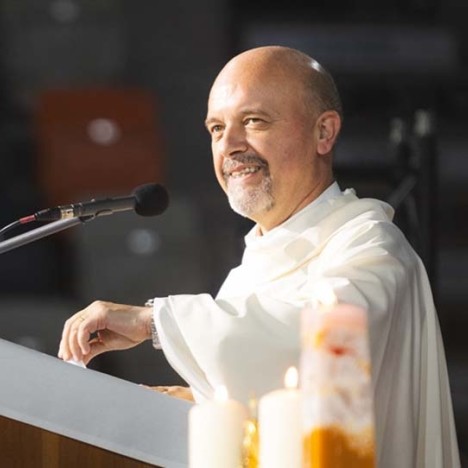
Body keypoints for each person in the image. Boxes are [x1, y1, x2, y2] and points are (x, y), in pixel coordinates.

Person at [58, 46, 460, 467]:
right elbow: (267, 396)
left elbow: (318, 349)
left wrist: (154, 321)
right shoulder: (250, 270)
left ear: (324, 133)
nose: (229, 146)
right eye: (216, 128)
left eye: (253, 121)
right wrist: (194, 403)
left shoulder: (371, 246)